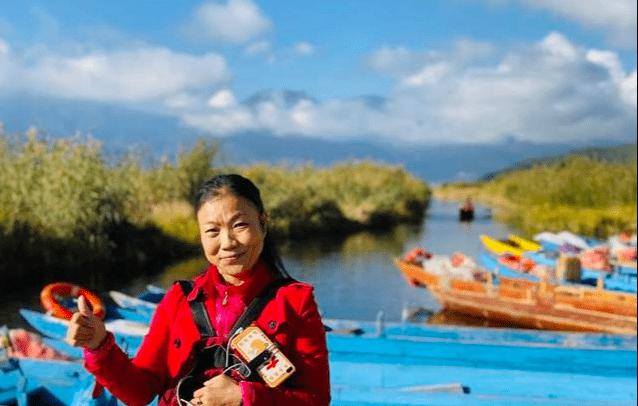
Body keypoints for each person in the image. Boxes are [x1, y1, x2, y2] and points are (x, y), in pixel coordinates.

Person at [66, 174, 331, 406]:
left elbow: (316, 400)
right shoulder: (179, 299)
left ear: (262, 223)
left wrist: (244, 396)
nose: (227, 243)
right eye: (212, 231)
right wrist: (99, 345)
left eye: (240, 225)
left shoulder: (295, 302)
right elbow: (140, 392)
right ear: (201, 236)